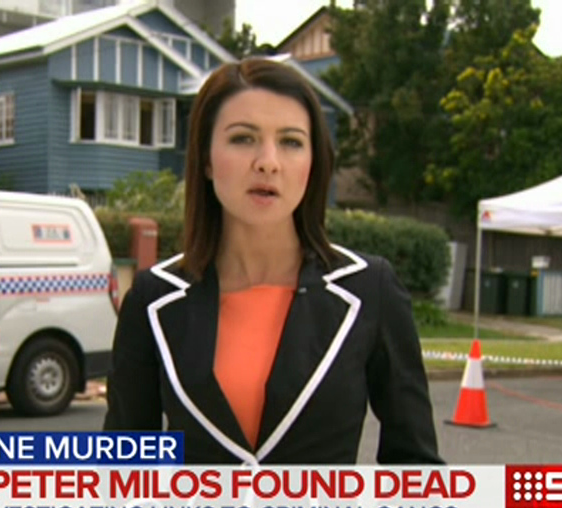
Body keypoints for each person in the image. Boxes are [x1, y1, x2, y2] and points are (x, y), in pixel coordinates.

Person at [103, 58, 442, 467]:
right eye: (243, 138)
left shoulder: (372, 289)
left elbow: (418, 471)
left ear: (314, 162)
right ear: (206, 158)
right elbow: (121, 471)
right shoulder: (152, 298)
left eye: (291, 142)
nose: (268, 161)